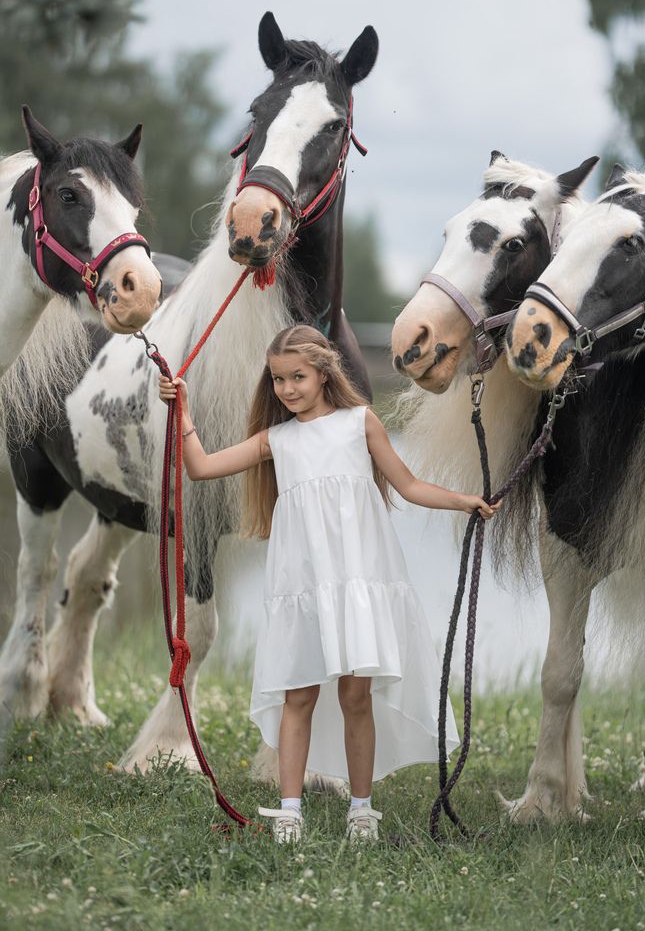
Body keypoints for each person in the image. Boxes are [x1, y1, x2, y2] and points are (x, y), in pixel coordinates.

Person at [159, 325, 499, 845]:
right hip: (304, 586)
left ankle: (362, 809)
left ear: (324, 373)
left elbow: (407, 485)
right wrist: (181, 414)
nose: (288, 389)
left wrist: (464, 500)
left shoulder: (359, 423)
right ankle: (289, 810)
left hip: (358, 578)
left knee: (355, 695)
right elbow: (202, 467)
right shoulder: (277, 440)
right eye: (278, 380)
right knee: (298, 695)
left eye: (298, 377)